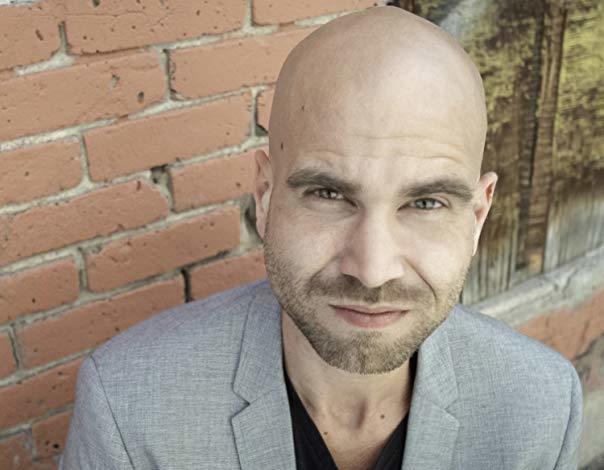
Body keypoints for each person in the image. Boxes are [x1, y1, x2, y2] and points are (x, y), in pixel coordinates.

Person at [60, 6, 582, 470]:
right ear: (265, 197)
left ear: (477, 216)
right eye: (329, 194)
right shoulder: (128, 409)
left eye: (425, 203)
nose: (372, 271)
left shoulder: (541, 408)